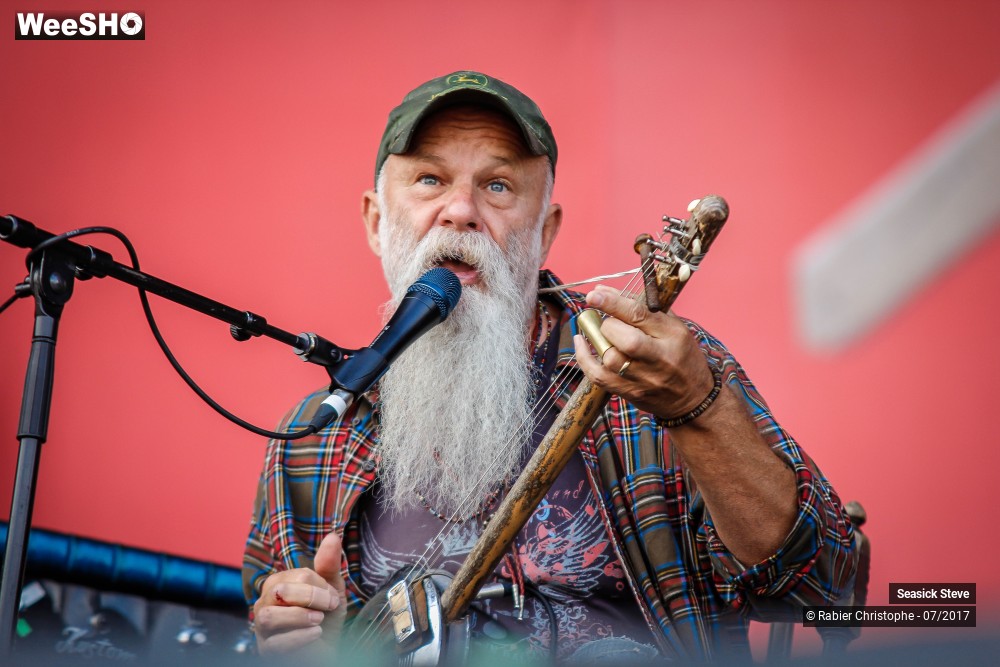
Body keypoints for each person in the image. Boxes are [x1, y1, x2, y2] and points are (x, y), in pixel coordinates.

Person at [242, 71, 857, 663]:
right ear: (377, 222)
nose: (461, 211)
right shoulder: (313, 441)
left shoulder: (658, 367)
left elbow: (826, 592)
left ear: (546, 230)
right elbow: (285, 630)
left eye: (500, 186)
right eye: (429, 180)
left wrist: (697, 409)